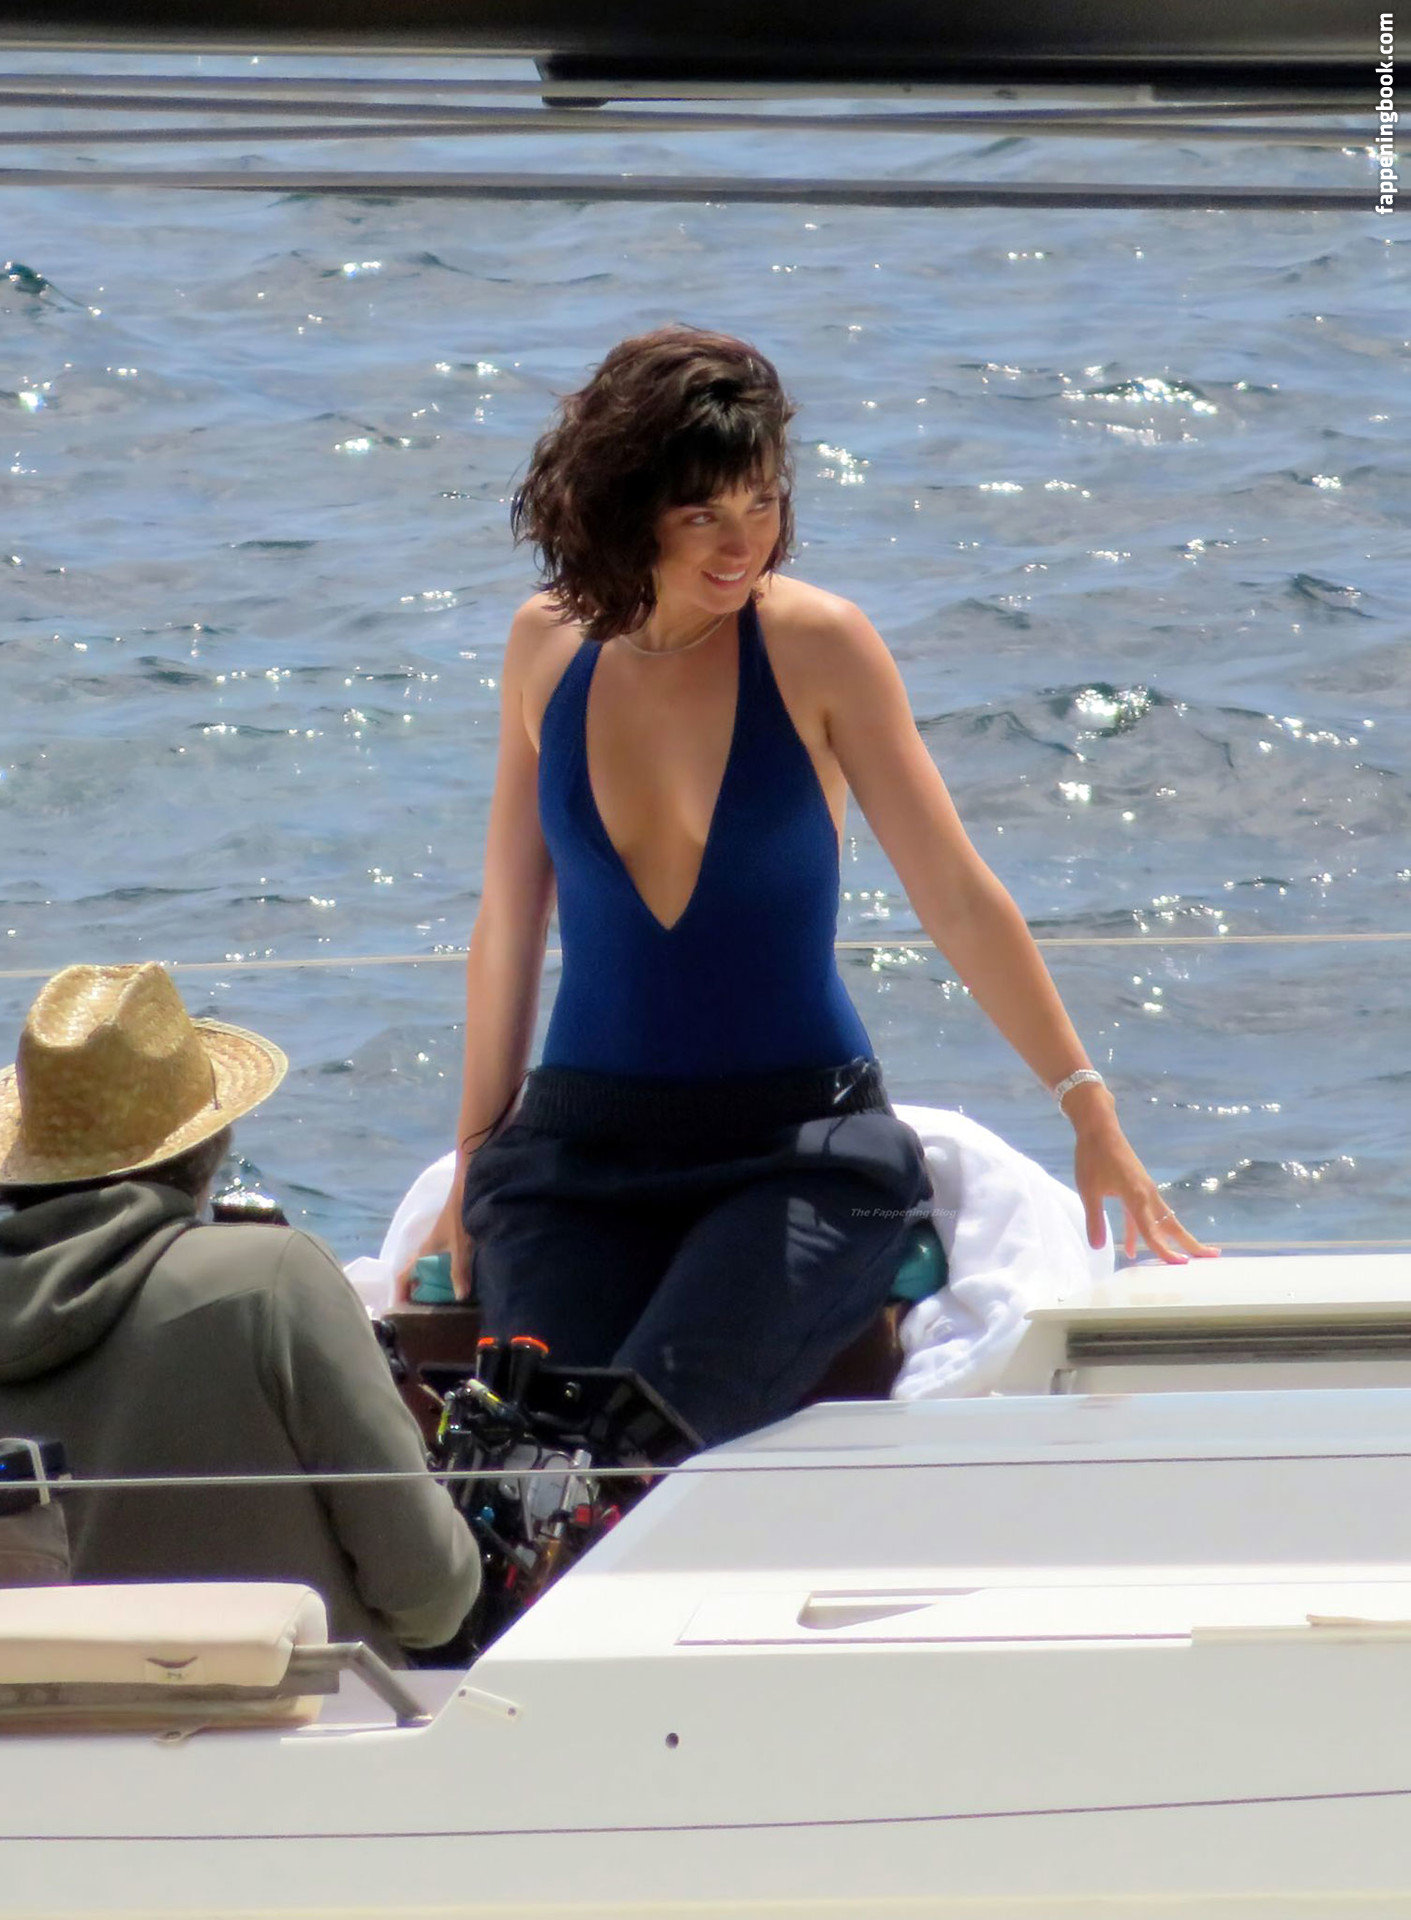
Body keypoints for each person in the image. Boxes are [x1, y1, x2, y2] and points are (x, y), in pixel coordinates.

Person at [414, 324, 1216, 1446]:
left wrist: (1089, 1107)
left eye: (762, 504)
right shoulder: (544, 646)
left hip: (801, 1151)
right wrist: (473, 1161)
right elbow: (508, 923)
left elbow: (953, 892)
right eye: (702, 514)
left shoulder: (817, 646)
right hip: (577, 1154)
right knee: (530, 1438)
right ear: (627, 507)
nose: (742, 543)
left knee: (646, 1431)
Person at [0, 962, 479, 1664]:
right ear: (207, 1142)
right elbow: (430, 1598)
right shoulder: (273, 1281)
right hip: (307, 1721)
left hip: (42, 1727)